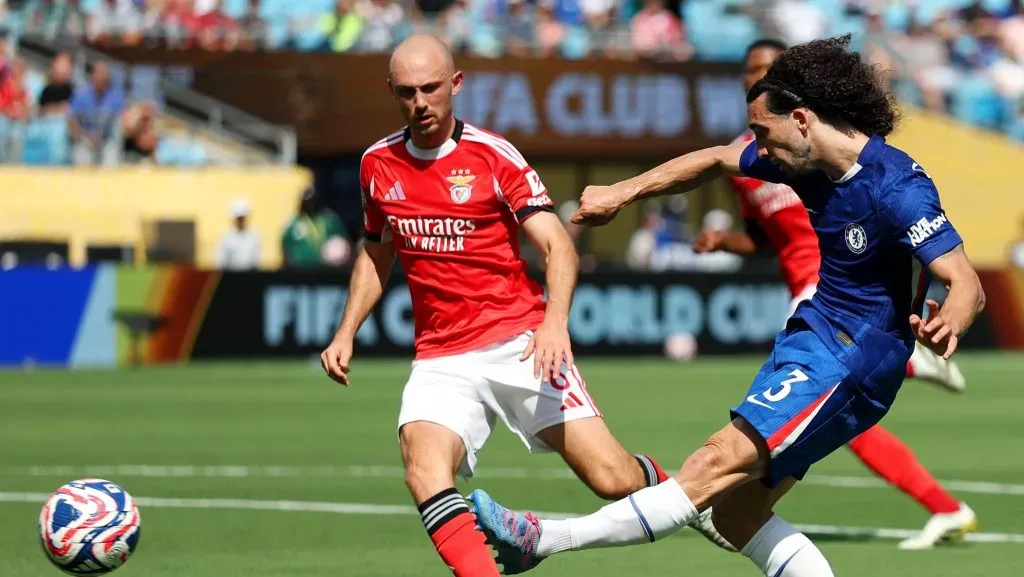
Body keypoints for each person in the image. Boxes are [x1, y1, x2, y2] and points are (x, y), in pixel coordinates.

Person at [470, 35, 986, 577]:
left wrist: (948, 318)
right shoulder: (800, 160)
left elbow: (964, 279)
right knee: (738, 515)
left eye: (764, 133)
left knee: (712, 463)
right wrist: (623, 192)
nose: (758, 150)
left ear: (803, 119)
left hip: (849, 356)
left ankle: (544, 539)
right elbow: (716, 159)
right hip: (816, 335)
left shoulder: (894, 184)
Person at [319, 34, 680, 577]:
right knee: (423, 469)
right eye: (408, 91)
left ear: (456, 84)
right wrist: (345, 330)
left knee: (613, 480)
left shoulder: (493, 155)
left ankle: (686, 493)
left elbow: (558, 245)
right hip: (440, 356)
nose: (421, 101)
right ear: (392, 91)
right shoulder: (377, 164)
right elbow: (376, 252)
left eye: (432, 88)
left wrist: (554, 322)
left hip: (520, 341)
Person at [690, 38, 976, 550]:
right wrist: (724, 241)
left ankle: (702, 495)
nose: (760, 73)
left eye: (770, 67)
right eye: (753, 67)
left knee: (816, 406)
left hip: (830, 288)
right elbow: (761, 237)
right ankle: (944, 505)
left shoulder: (815, 145)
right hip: (811, 292)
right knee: (832, 418)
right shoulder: (756, 156)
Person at [281, 186, 347, 268]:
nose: (311, 205)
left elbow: (344, 243)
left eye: (314, 202)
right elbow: (285, 247)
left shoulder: (330, 220)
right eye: (308, 202)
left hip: (328, 271)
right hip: (299, 272)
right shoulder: (294, 224)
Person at [215, 198, 262, 270]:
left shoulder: (254, 237)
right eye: (238, 218)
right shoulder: (226, 238)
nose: (240, 220)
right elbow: (221, 262)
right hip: (231, 277)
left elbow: (256, 261)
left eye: (242, 218)